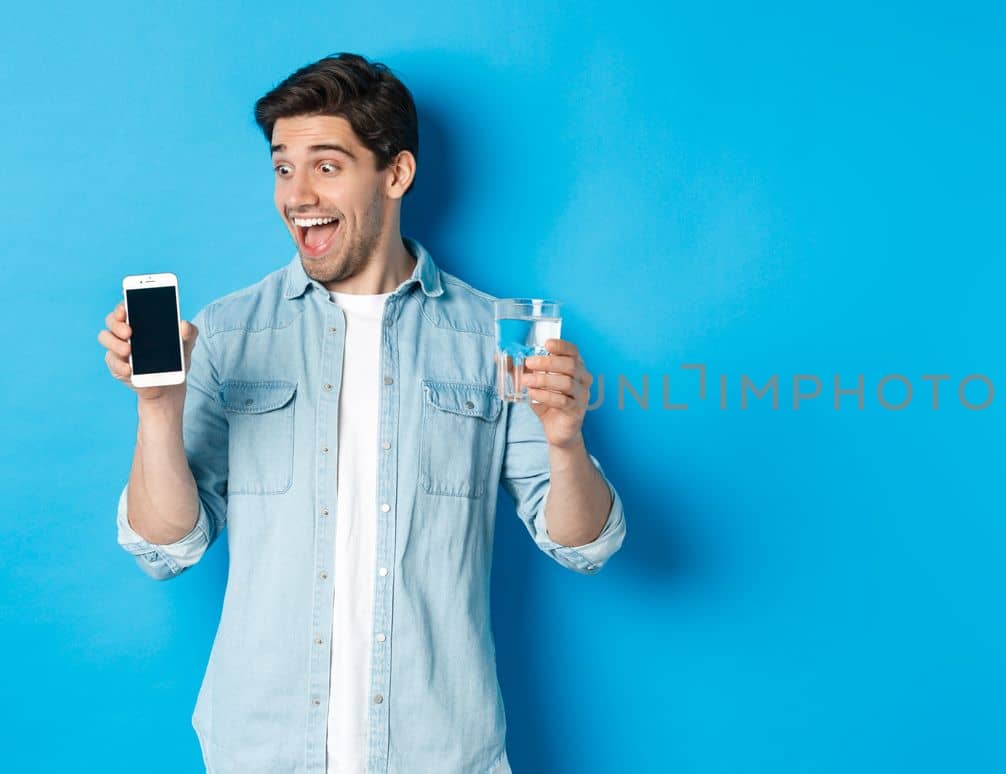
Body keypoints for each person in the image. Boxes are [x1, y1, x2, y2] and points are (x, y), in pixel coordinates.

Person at [95, 52, 625, 773]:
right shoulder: (227, 333)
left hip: (440, 753)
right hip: (261, 752)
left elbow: (584, 544)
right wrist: (158, 409)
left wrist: (565, 444)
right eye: (283, 167)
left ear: (396, 173)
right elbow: (167, 548)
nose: (298, 193)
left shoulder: (492, 335)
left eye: (327, 165)